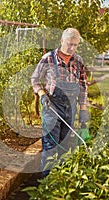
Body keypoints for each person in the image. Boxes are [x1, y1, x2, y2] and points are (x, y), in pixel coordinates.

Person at [31, 28, 90, 176]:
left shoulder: (78, 61)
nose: (72, 48)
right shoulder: (48, 59)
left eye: (75, 45)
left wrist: (83, 109)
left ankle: (59, 183)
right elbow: (35, 80)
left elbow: (83, 86)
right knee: (50, 146)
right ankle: (46, 184)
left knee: (64, 145)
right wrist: (42, 94)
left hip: (70, 108)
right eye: (70, 44)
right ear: (62, 41)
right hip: (51, 107)